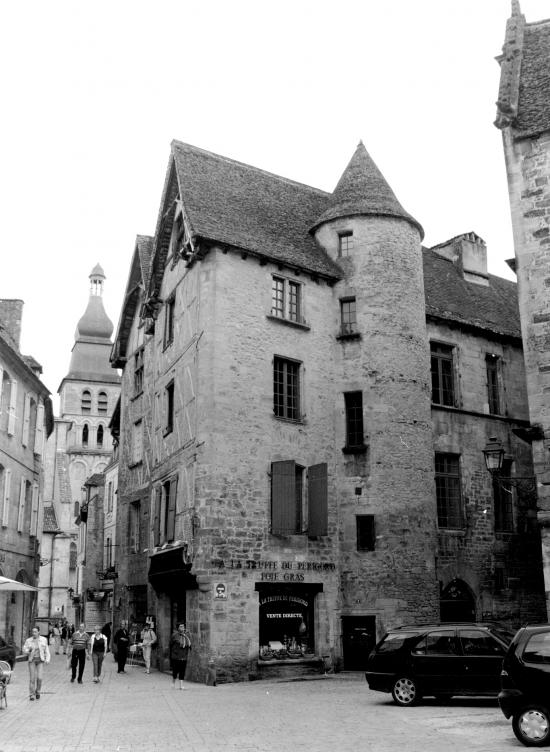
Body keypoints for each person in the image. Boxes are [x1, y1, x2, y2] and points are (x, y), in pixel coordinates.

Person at [22, 626, 50, 700]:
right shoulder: (29, 640)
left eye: (35, 632)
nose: (33, 633)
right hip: (32, 661)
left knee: (40, 678)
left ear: (38, 632)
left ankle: (38, 691)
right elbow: (24, 649)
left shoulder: (44, 640)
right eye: (33, 632)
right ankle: (31, 694)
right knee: (32, 678)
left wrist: (47, 659)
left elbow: (46, 650)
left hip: (40, 661)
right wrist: (28, 650)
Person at [169, 622, 191, 689]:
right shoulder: (174, 635)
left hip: (184, 656)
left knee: (182, 671)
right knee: (175, 671)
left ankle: (181, 685)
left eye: (183, 626)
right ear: (178, 628)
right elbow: (170, 644)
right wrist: (174, 652)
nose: (182, 627)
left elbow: (189, 644)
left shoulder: (186, 635)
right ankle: (173, 683)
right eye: (181, 626)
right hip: (176, 656)